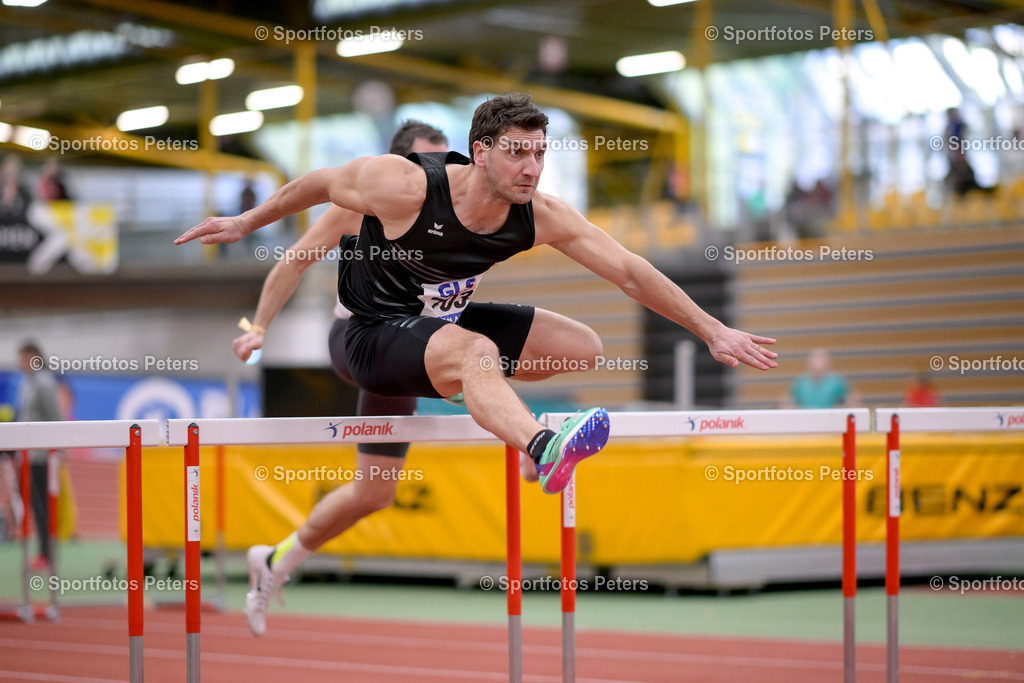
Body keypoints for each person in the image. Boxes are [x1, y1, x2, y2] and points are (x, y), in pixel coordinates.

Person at [176, 92, 778, 636]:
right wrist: (246, 241)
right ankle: (540, 447)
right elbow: (311, 195)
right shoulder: (399, 188)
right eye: (519, 154)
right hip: (368, 336)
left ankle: (276, 557)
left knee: (576, 349)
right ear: (480, 152)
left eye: (540, 153)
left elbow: (629, 272)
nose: (533, 168)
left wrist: (712, 330)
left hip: (442, 333)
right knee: (472, 356)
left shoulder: (538, 212)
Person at [16, 342, 62, 570]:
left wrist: (58, 450)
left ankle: (46, 552)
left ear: (33, 357)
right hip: (29, 454)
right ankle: (44, 550)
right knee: (36, 505)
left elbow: (54, 416)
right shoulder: (27, 383)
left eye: (22, 358)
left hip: (42, 455)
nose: (19, 363)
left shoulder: (44, 383)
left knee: (44, 505)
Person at [781, 348, 858, 409]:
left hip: (829, 418)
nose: (818, 363)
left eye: (821, 359)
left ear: (828, 363)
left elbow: (853, 398)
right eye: (816, 359)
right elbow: (786, 400)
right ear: (809, 364)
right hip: (806, 420)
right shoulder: (800, 381)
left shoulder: (837, 381)